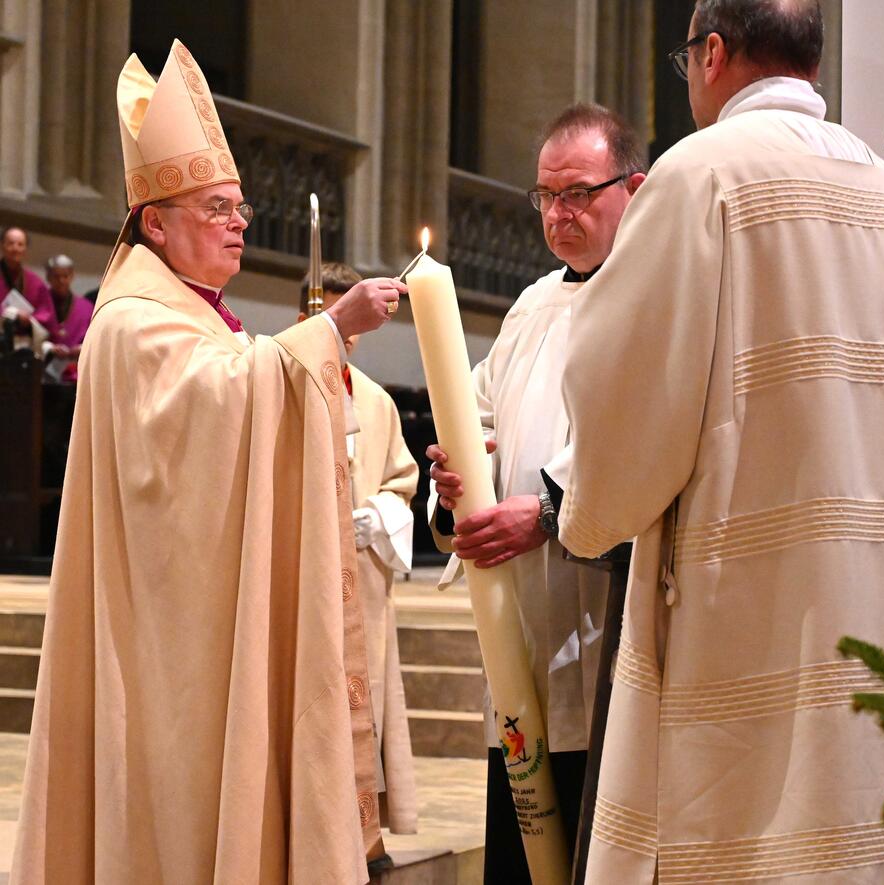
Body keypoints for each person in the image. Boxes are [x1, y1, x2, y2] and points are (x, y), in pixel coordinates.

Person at [557, 2, 884, 882]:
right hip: (878, 612)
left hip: (746, 626)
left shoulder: (702, 175)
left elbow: (623, 387)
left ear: (710, 54)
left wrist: (586, 516)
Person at [13, 40, 404, 884]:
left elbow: (238, 389)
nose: (239, 223)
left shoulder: (194, 315)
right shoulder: (130, 320)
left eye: (241, 208)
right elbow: (213, 410)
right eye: (217, 208)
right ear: (155, 222)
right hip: (162, 644)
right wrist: (329, 329)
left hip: (201, 622)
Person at [425, 102, 646, 882]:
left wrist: (549, 514)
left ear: (635, 187)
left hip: (602, 633)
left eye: (579, 192)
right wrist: (453, 481)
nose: (559, 214)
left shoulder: (655, 302)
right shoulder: (528, 308)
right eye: (546, 196)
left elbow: (651, 453)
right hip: (517, 641)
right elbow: (474, 418)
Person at [297, 261, 420, 834]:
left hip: (361, 580)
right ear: (307, 316)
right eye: (334, 321)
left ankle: (364, 838)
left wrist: (376, 517)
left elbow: (402, 482)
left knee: (361, 698)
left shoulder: (376, 401)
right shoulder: (280, 380)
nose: (346, 338)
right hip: (300, 577)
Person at [42, 254, 93, 383]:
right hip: (43, 370)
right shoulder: (39, 302)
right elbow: (31, 334)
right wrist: (49, 348)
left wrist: (81, 348)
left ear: (72, 276)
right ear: (48, 277)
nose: (61, 281)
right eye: (56, 276)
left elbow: (93, 338)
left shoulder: (86, 307)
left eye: (65, 276)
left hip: (75, 371)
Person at [0, 227, 54, 346]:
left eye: (20, 244)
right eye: (11, 243)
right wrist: (11, 314)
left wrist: (30, 320)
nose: (15, 248)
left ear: (25, 249)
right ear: (2, 246)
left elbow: (45, 314)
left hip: (23, 345)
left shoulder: (36, 282)